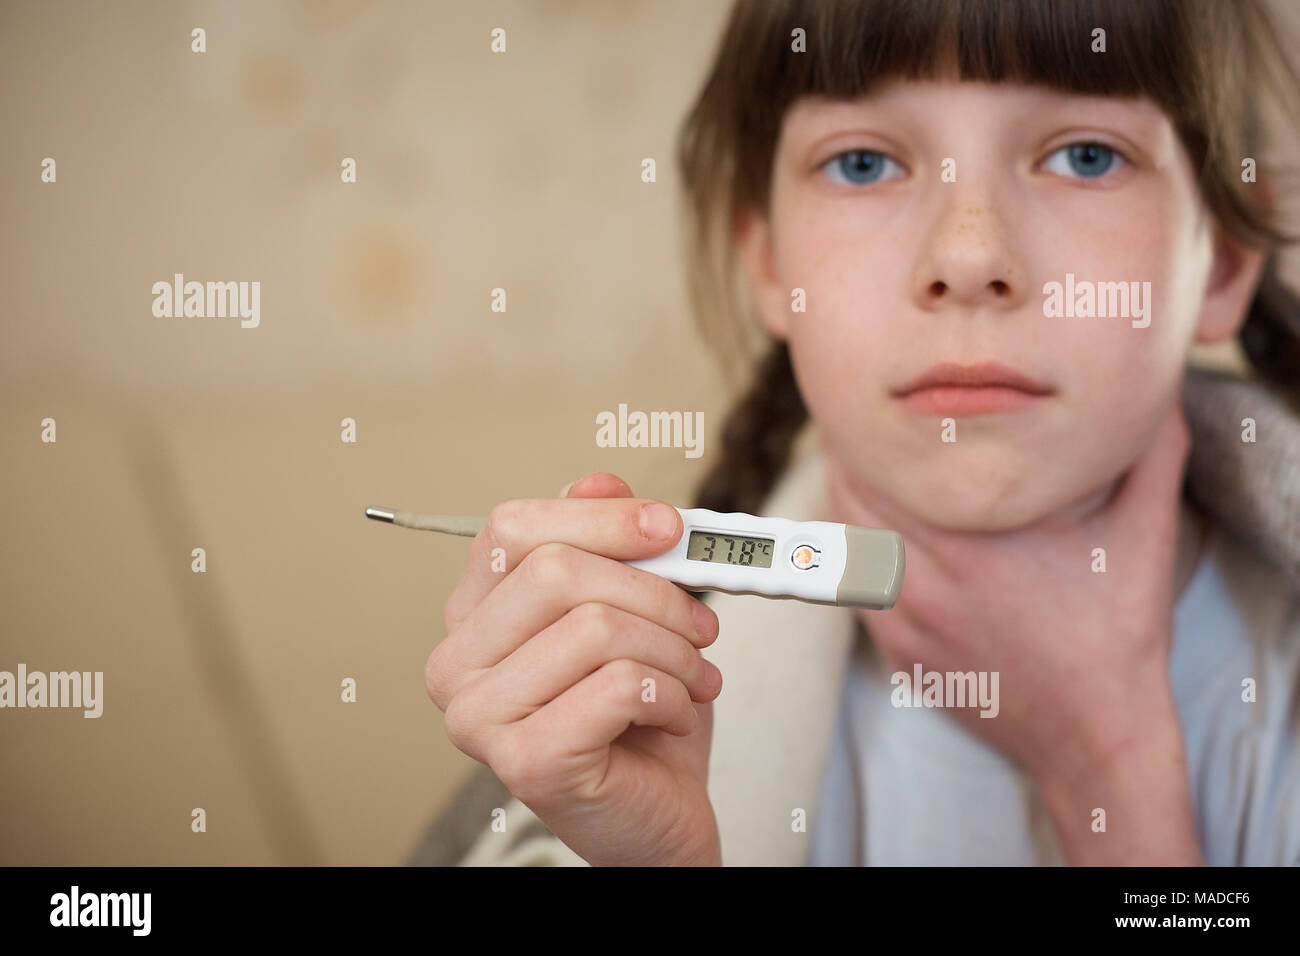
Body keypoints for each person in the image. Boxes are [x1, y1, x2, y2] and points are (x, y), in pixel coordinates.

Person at [410, 0, 1300, 866]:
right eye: (865, 164)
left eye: (1086, 154)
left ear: (1220, 258)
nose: (968, 257)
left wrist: (1106, 760)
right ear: (768, 256)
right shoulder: (626, 729)